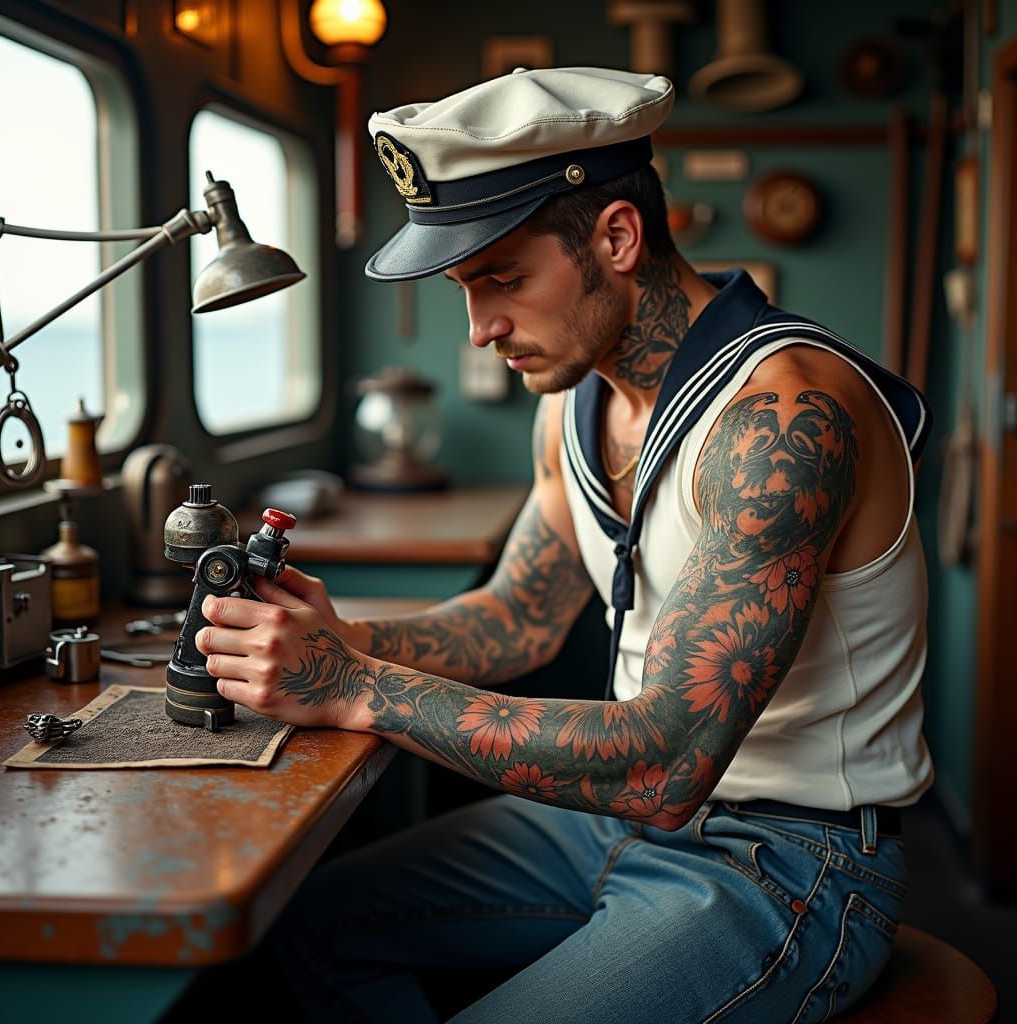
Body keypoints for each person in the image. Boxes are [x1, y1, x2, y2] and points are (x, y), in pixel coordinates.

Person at [196, 67, 934, 1023]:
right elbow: (520, 617)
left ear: (616, 238)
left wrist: (353, 685)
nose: (480, 330)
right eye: (466, 288)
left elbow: (663, 765)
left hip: (792, 860)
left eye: (503, 278)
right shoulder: (578, 405)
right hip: (612, 825)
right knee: (298, 930)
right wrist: (335, 640)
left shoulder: (782, 417)